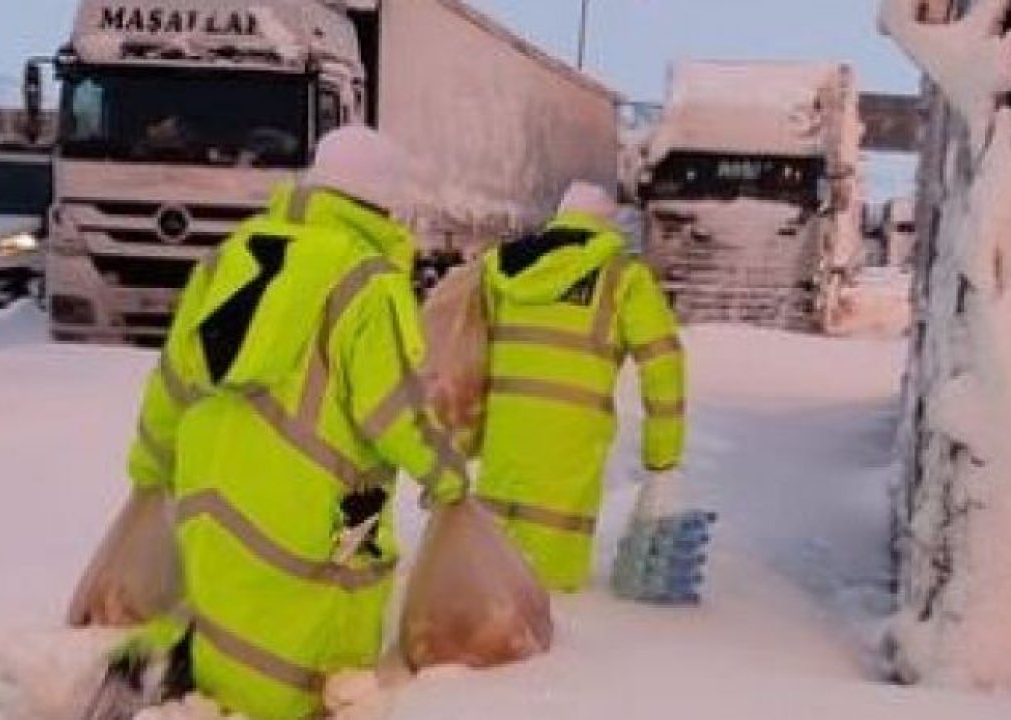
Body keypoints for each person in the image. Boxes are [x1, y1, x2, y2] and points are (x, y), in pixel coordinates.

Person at [107, 125, 469, 720]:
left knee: (228, 619)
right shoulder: (367, 280)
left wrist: (150, 466)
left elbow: (172, 379)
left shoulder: (228, 258)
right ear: (384, 200)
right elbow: (394, 412)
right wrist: (446, 472)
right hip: (340, 507)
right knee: (327, 639)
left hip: (212, 494)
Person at [475, 181, 686, 592]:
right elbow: (664, 367)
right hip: (571, 445)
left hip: (505, 436)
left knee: (492, 561)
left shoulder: (504, 269)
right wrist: (663, 457)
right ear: (606, 226)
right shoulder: (623, 279)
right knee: (552, 576)